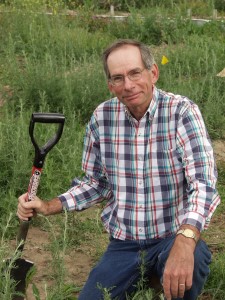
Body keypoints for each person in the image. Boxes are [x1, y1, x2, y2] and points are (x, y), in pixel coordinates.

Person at [17, 39, 221, 300]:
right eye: (118, 78)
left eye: (135, 73)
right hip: (124, 245)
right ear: (110, 85)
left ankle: (166, 277)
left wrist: (186, 238)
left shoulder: (181, 112)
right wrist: (47, 206)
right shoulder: (103, 118)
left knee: (193, 258)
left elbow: (203, 183)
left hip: (171, 237)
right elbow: (97, 183)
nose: (128, 85)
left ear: (153, 73)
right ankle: (148, 275)